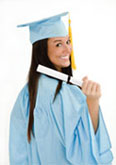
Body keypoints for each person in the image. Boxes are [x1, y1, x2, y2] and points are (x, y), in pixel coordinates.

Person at [9, 12, 113, 165]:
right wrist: (92, 102)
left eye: (68, 42)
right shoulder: (67, 93)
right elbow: (84, 152)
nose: (67, 49)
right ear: (42, 49)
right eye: (58, 44)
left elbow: (18, 152)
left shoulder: (26, 94)